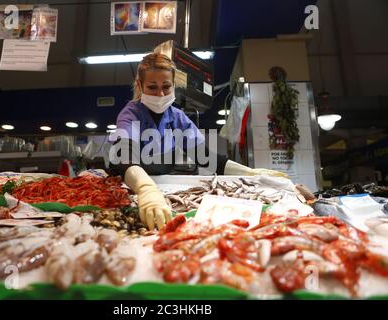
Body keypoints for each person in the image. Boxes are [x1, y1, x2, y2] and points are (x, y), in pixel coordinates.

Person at [107, 53, 287, 230]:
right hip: (134, 188)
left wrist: (249, 172)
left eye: (166, 87)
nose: (160, 94)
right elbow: (124, 154)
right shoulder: (131, 114)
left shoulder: (177, 117)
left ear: (174, 85)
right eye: (152, 87)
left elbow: (205, 156)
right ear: (140, 85)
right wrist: (146, 188)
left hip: (163, 189)